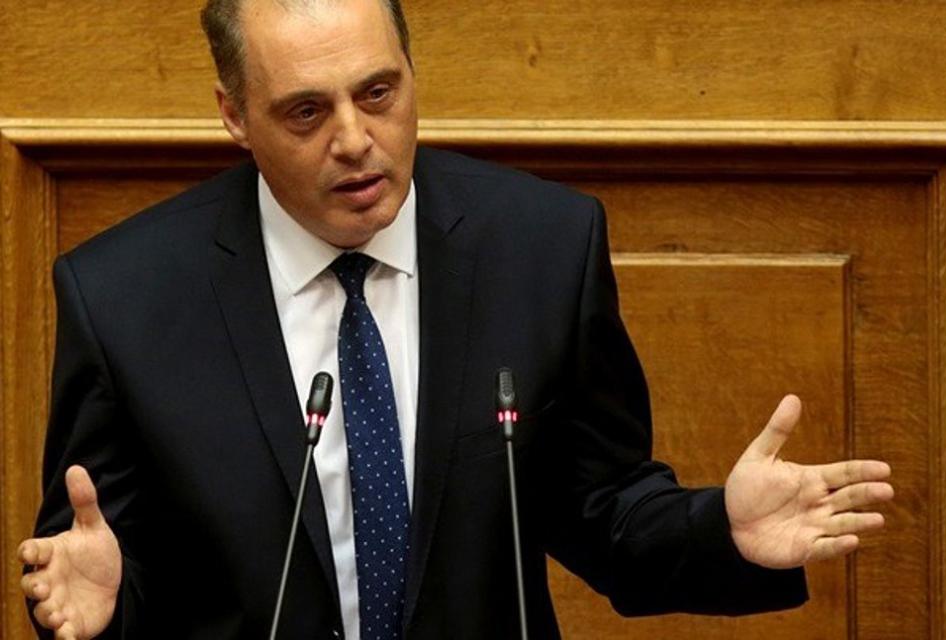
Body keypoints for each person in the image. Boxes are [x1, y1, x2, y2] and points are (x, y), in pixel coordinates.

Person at [17, 0, 894, 638]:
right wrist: (105, 606)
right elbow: (93, 565)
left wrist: (723, 533)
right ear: (235, 116)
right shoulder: (124, 298)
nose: (354, 139)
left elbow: (603, 512)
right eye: (306, 111)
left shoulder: (541, 248)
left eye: (378, 92)